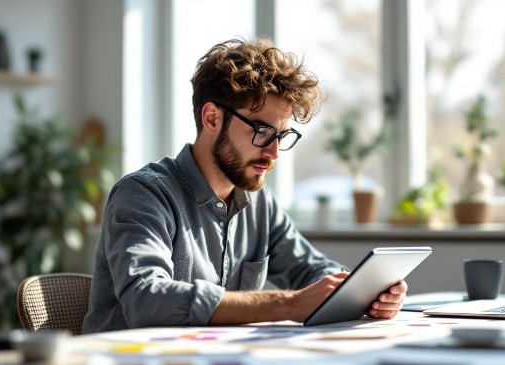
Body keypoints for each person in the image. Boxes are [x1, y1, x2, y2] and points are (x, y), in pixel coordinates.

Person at [82, 38, 408, 333]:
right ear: (212, 119)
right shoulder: (143, 194)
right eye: (262, 131)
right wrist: (287, 304)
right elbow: (146, 299)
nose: (275, 152)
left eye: (282, 136)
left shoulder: (259, 203)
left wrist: (362, 290)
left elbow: (310, 269)